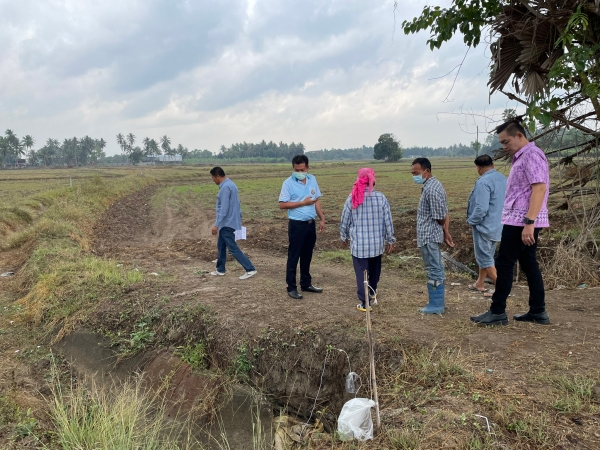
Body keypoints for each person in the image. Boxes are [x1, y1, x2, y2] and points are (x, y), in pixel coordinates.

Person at [471, 120, 550, 326]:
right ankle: (537, 311)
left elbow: (539, 189)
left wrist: (529, 222)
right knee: (528, 263)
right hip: (521, 219)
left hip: (521, 220)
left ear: (519, 136)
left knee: (504, 263)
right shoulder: (522, 156)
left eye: (506, 142)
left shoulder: (531, 155)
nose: (504, 146)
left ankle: (497, 311)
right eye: (502, 143)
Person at [340, 168, 395, 312]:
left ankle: (365, 303)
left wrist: (343, 236)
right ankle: (372, 291)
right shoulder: (381, 198)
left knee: (362, 273)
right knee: (375, 270)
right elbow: (388, 221)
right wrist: (390, 239)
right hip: (377, 245)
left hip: (359, 246)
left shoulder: (352, 198)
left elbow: (345, 220)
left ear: (359, 180)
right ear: (372, 181)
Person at [411, 157, 455, 314]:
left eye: (416, 173)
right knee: (436, 267)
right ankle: (438, 302)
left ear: (427, 171)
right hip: (431, 234)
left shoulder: (431, 189)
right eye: (412, 173)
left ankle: (436, 305)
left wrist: (445, 230)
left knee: (433, 269)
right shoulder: (434, 185)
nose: (414, 176)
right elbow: (444, 212)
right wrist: (445, 231)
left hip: (429, 235)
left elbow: (440, 216)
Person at [278, 154, 325, 299]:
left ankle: (306, 283)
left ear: (307, 168)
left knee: (307, 255)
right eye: (296, 170)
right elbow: (282, 205)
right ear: (293, 168)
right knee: (294, 256)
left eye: (302, 170)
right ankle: (291, 287)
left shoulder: (312, 179)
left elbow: (316, 200)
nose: (299, 172)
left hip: (310, 224)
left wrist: (322, 218)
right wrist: (302, 203)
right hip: (297, 225)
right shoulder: (288, 183)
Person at [466, 155, 507, 297]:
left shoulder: (483, 182)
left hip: (484, 226)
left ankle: (502, 289)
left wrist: (472, 221)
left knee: (485, 258)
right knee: (487, 255)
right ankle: (480, 283)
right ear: (493, 164)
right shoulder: (503, 179)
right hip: (498, 225)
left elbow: (481, 208)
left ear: (478, 168)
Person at [209, 167, 257, 280]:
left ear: (217, 176)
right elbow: (237, 204)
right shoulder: (232, 185)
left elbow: (224, 209)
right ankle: (220, 269)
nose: (213, 180)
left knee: (232, 247)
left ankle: (250, 269)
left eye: (213, 178)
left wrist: (216, 224)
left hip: (227, 223)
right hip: (230, 221)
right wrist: (239, 218)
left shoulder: (225, 188)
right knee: (221, 246)